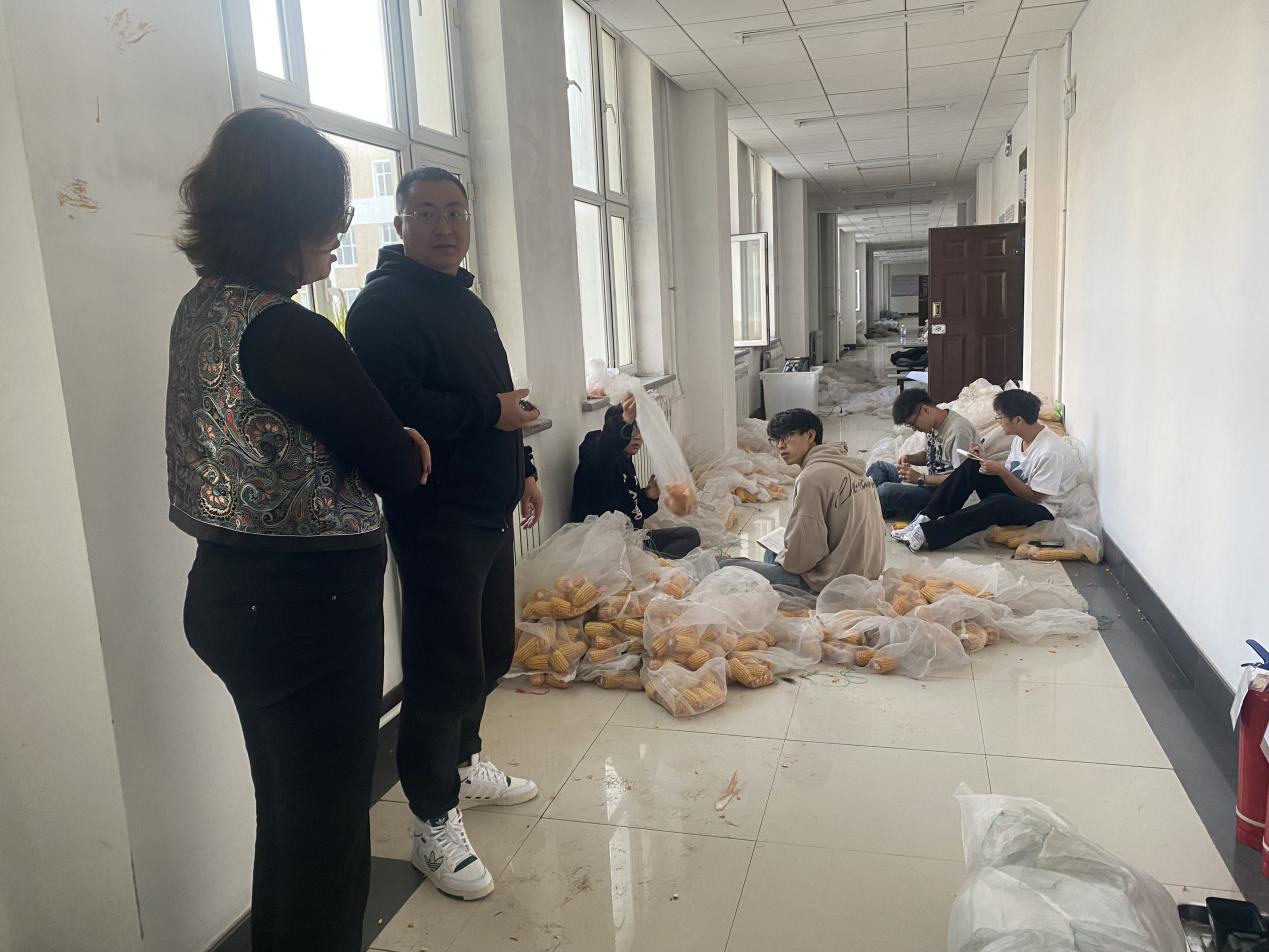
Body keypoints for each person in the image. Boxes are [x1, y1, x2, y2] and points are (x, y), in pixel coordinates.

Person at [168, 108, 430, 952]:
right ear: (288, 216)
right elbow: (395, 463)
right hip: (303, 615)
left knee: (290, 816)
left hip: (227, 596)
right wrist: (407, 445)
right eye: (331, 213)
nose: (337, 233)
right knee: (324, 834)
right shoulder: (289, 330)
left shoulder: (203, 308)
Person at [346, 167, 540, 902]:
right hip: (435, 516)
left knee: (489, 652)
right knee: (442, 667)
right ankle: (431, 819)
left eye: (455, 211)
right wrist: (490, 415)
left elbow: (503, 398)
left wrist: (522, 466)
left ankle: (463, 764)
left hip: (488, 506)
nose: (444, 226)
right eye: (425, 212)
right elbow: (393, 407)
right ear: (399, 224)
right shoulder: (382, 307)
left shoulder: (465, 300)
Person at [891, 389, 1080, 552]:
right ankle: (923, 519)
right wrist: (985, 461)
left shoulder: (1050, 451)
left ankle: (927, 534)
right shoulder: (1020, 438)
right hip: (1020, 493)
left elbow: (1034, 498)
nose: (998, 421)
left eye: (1000, 417)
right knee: (972, 465)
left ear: (1018, 420)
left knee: (998, 503)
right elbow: (1014, 475)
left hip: (1043, 509)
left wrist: (1001, 471)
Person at [721, 408, 886, 590]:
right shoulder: (853, 468)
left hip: (832, 583)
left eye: (787, 436)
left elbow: (802, 560)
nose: (780, 445)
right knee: (773, 550)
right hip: (866, 574)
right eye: (776, 439)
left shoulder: (811, 478)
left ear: (810, 435)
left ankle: (781, 588)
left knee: (725, 566)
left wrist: (787, 557)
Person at [570, 395, 701, 558]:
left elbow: (632, 513)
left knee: (689, 535)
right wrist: (625, 419)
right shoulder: (599, 455)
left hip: (629, 538)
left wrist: (649, 496)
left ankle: (652, 561)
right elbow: (606, 447)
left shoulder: (625, 460)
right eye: (631, 429)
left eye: (640, 430)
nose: (638, 436)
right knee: (685, 542)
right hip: (605, 547)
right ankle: (650, 562)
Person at [867, 388, 978, 517]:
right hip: (929, 483)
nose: (915, 429)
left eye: (912, 423)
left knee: (884, 491)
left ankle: (872, 506)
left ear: (925, 410)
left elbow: (962, 480)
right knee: (879, 467)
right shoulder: (933, 424)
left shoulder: (958, 431)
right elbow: (931, 455)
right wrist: (910, 458)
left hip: (944, 495)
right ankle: (875, 505)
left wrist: (921, 478)